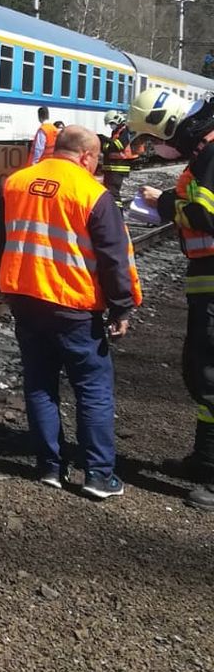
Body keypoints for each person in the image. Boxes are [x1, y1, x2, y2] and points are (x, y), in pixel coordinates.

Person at [0, 125, 142, 498]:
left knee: (40, 383)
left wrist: (7, 284)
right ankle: (99, 476)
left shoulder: (16, 183)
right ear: (87, 156)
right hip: (73, 306)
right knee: (92, 388)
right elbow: (113, 259)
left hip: (25, 300)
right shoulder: (92, 193)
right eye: (98, 160)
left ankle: (50, 468)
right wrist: (121, 307)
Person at [132, 88, 214, 511]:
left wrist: (162, 203)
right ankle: (204, 459)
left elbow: (208, 216)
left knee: (212, 375)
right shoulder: (206, 154)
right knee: (201, 372)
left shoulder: (212, 155)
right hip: (206, 279)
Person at [100, 109, 137, 203]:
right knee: (111, 193)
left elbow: (118, 145)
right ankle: (114, 213)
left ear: (118, 119)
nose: (111, 126)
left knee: (114, 194)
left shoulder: (125, 131)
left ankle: (117, 214)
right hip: (113, 167)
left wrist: (105, 143)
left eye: (111, 123)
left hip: (118, 167)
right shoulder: (117, 131)